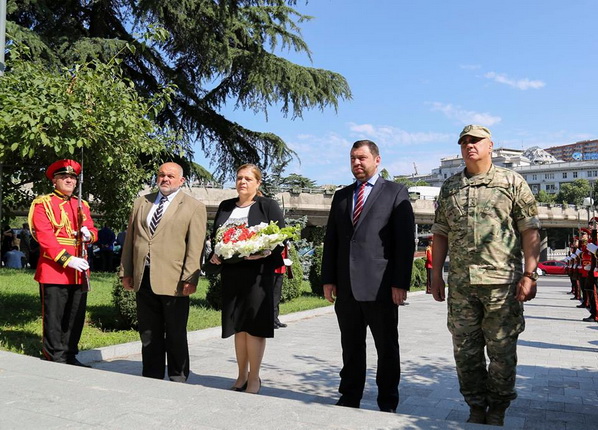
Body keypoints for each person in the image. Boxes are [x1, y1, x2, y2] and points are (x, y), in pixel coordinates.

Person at [431, 125, 540, 426]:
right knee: (465, 353)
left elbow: (530, 230)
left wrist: (530, 274)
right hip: (462, 288)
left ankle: (498, 409)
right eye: (464, 141)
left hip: (502, 286)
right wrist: (437, 275)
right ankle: (476, 407)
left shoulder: (511, 182)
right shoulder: (450, 187)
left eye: (475, 140)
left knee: (502, 351)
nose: (469, 145)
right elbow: (440, 234)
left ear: (490, 145)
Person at [321, 140, 415, 413]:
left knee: (386, 348)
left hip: (382, 287)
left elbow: (405, 243)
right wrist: (328, 279)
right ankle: (349, 396)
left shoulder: (396, 193)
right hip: (347, 287)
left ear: (377, 160)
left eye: (362, 158)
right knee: (350, 346)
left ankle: (387, 401)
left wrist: (400, 283)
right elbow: (332, 241)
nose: (356, 163)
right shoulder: (341, 196)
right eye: (352, 158)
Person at [119, 162, 207, 382]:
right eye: (161, 175)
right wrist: (126, 271)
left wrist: (190, 277)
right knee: (148, 332)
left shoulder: (193, 207)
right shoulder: (142, 202)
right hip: (143, 276)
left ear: (181, 180)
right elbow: (131, 240)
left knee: (176, 332)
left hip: (175, 279)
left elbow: (195, 246)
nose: (165, 179)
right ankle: (152, 374)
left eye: (170, 175)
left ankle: (178, 375)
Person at [207, 163, 285, 394]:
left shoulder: (267, 206)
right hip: (232, 275)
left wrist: (264, 252)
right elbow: (217, 236)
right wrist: (216, 254)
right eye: (240, 178)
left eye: (248, 179)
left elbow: (280, 239)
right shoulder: (225, 206)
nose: (243, 182)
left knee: (254, 327)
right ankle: (240, 375)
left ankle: (254, 378)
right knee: (238, 326)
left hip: (257, 276)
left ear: (258, 183)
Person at [28, 159, 98, 366]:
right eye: (64, 177)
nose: (69, 180)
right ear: (54, 181)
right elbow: (45, 237)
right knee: (54, 316)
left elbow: (93, 231)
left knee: (75, 316)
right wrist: (68, 260)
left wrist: (88, 236)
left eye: (73, 177)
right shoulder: (43, 204)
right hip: (55, 268)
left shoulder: (82, 205)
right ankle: (54, 355)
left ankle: (70, 354)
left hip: (79, 269)